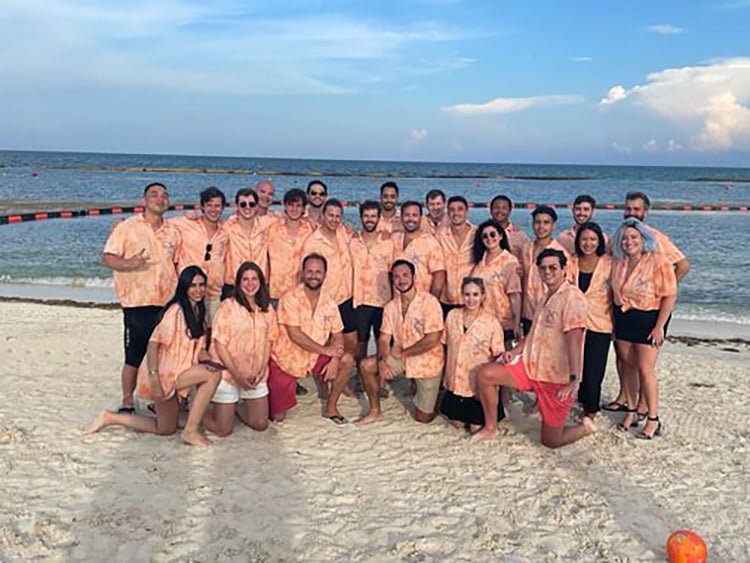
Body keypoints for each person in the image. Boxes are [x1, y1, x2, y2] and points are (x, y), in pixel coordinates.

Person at [471, 249, 594, 448]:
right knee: (486, 374)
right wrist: (515, 351)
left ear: (564, 269)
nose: (548, 272)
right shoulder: (545, 296)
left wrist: (574, 379)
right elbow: (534, 335)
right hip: (530, 367)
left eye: (553, 267)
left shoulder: (573, 298)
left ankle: (584, 428)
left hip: (555, 377)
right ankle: (491, 427)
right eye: (543, 268)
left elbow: (575, 340)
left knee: (550, 442)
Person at [88, 266, 221, 447]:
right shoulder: (176, 311)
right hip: (163, 374)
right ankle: (190, 432)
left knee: (165, 429)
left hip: (179, 371)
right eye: (193, 286)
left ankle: (110, 418)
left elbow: (198, 350)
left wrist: (213, 361)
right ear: (184, 288)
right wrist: (155, 379)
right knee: (212, 376)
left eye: (201, 285)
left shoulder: (198, 311)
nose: (198, 290)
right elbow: (153, 344)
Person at [603, 191, 689, 413]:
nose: (632, 212)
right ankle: (625, 398)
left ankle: (643, 405)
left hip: (651, 310)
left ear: (645, 212)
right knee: (623, 359)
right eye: (628, 208)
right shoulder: (618, 237)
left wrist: (658, 290)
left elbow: (683, 266)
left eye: (637, 209)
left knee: (644, 364)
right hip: (623, 309)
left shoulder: (657, 238)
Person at [101, 182, 181, 414]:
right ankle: (127, 400)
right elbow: (107, 258)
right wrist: (129, 264)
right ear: (144, 200)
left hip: (166, 302)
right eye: (154, 195)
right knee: (134, 354)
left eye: (165, 195)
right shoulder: (127, 227)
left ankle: (156, 397)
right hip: (137, 302)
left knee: (161, 354)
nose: (160, 198)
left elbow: (175, 263)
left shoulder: (173, 231)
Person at [269, 253, 356, 424]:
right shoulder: (289, 298)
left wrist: (335, 358)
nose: (313, 275)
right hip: (285, 361)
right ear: (302, 273)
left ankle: (331, 407)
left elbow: (338, 334)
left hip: (312, 358)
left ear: (325, 274)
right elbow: (295, 335)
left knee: (347, 359)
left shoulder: (329, 302)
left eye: (318, 272)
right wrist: (326, 351)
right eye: (309, 271)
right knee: (277, 416)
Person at [611, 218, 677, 439]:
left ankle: (653, 418)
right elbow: (614, 290)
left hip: (650, 318)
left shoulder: (658, 261)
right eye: (625, 238)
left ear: (643, 239)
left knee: (645, 369)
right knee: (627, 366)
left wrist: (660, 326)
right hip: (624, 318)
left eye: (634, 237)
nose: (629, 242)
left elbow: (670, 295)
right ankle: (631, 410)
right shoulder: (618, 263)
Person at [358, 260, 445, 424]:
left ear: (414, 277)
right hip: (401, 357)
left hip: (427, 362)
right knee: (366, 365)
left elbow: (433, 339)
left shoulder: (430, 302)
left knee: (422, 418)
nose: (401, 280)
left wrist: (404, 353)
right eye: (396, 277)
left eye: (405, 275)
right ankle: (375, 410)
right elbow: (383, 338)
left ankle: (440, 396)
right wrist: (383, 361)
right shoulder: (391, 307)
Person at [202, 262, 277, 436]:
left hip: (254, 374)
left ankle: (235, 406)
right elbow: (219, 344)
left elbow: (269, 340)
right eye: (245, 279)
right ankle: (195, 408)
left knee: (260, 424)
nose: (250, 284)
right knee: (224, 430)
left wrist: (261, 369)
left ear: (260, 281)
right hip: (227, 374)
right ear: (238, 283)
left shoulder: (267, 309)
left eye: (254, 279)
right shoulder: (227, 307)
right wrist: (236, 374)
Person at [440, 277, 505, 433]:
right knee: (458, 425)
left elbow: (498, 355)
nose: (471, 299)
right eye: (467, 294)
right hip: (456, 382)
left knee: (475, 428)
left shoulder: (491, 322)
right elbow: (445, 345)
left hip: (477, 385)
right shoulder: (452, 316)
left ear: (483, 296)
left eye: (475, 294)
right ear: (462, 295)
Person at [301, 198, 358, 356]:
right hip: (325, 299)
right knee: (325, 342)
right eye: (330, 215)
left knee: (351, 341)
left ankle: (343, 373)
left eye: (337, 216)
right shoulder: (313, 242)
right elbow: (305, 273)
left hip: (346, 298)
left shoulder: (344, 233)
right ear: (323, 216)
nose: (334, 219)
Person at [568, 222, 613, 418]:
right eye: (584, 239)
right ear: (578, 241)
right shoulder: (571, 262)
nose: (588, 243)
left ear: (600, 241)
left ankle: (591, 410)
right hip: (574, 323)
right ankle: (576, 401)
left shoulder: (610, 263)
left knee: (594, 372)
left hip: (600, 323)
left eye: (593, 239)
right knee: (574, 368)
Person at [171, 186, 228, 324]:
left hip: (214, 294)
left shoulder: (226, 231)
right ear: (202, 206)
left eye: (217, 206)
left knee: (214, 333)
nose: (213, 210)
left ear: (222, 208)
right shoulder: (186, 224)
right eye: (209, 205)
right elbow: (158, 223)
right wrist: (123, 224)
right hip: (189, 292)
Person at [349, 201, 394, 364]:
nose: (370, 219)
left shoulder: (388, 243)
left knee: (383, 342)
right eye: (366, 216)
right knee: (361, 343)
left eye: (373, 216)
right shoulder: (352, 242)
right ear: (361, 217)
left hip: (382, 300)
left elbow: (392, 272)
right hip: (359, 300)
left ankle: (381, 379)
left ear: (378, 218)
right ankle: (362, 376)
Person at [469, 219, 522, 343]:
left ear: (501, 236)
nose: (489, 238)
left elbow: (514, 295)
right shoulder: (479, 261)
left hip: (503, 323)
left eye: (493, 234)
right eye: (485, 236)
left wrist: (517, 322)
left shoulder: (509, 261)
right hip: (481, 321)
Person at [521, 205, 569, 335]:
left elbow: (566, 287)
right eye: (538, 222)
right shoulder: (527, 248)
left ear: (553, 225)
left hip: (550, 314)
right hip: (528, 313)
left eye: (546, 222)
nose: (541, 226)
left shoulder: (560, 252)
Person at [221, 188, 272, 299]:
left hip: (259, 286)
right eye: (243, 204)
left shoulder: (267, 224)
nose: (247, 207)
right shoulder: (226, 227)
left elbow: (289, 216)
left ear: (257, 206)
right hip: (233, 287)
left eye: (251, 204)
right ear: (236, 206)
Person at [267, 189, 315, 303]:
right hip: (276, 292)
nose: (294, 209)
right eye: (291, 205)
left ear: (304, 209)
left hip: (301, 293)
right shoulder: (272, 229)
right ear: (285, 206)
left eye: (298, 206)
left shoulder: (310, 230)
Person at [392, 201, 446, 299]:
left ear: (421, 218)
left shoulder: (430, 242)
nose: (410, 219)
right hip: (397, 304)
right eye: (407, 215)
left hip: (421, 303)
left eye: (414, 215)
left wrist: (431, 302)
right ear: (401, 218)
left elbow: (439, 274)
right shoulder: (394, 239)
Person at [438, 195, 476, 318]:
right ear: (447, 213)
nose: (456, 213)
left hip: (471, 301)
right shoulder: (440, 235)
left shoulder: (477, 234)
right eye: (452, 210)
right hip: (446, 300)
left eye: (460, 209)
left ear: (466, 212)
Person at [489, 194, 529, 264]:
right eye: (496, 208)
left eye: (504, 208)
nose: (500, 211)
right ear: (490, 210)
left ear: (510, 211)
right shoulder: (482, 233)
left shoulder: (520, 236)